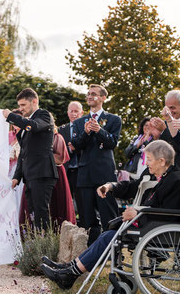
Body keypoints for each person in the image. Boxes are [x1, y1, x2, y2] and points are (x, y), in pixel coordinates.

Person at [41, 140, 180, 290]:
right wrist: (111, 186)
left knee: (109, 236)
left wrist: (137, 213)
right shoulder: (153, 174)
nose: (146, 163)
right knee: (108, 234)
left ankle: (70, 273)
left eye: (149, 159)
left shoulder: (177, 180)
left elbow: (169, 214)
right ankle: (69, 269)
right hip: (146, 223)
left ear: (162, 161)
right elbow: (131, 187)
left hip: (157, 229)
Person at [72, 84, 121, 245]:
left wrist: (99, 130)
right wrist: (86, 133)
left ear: (103, 98)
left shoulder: (114, 119)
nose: (90, 96)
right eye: (88, 94)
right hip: (85, 175)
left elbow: (112, 143)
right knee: (87, 217)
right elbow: (76, 145)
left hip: (104, 174)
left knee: (109, 215)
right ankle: (91, 253)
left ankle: (113, 253)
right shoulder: (79, 122)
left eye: (94, 94)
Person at [4, 88, 58, 231]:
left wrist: (11, 116)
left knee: (41, 214)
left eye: (23, 105)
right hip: (29, 175)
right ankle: (36, 245)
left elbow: (34, 126)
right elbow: (23, 153)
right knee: (32, 215)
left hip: (42, 173)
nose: (20, 109)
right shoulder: (28, 122)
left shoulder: (44, 116)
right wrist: (17, 176)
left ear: (34, 101)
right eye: (19, 106)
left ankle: (45, 248)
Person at [151, 90, 180, 172]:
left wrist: (165, 130)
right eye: (167, 108)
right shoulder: (165, 123)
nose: (169, 112)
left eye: (172, 107)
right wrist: (157, 136)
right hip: (168, 173)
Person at [58, 101, 83, 203]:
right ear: (67, 113)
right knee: (64, 201)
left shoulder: (86, 128)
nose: (73, 114)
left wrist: (76, 148)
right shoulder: (61, 130)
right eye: (71, 111)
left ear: (81, 113)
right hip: (66, 170)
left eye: (76, 111)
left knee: (82, 202)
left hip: (81, 171)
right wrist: (68, 150)